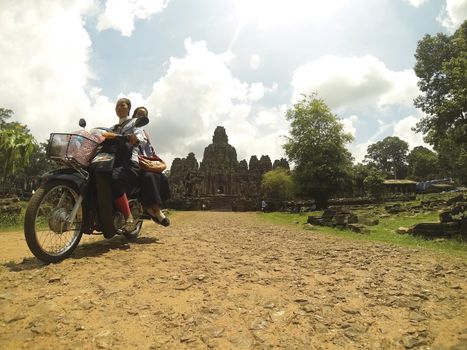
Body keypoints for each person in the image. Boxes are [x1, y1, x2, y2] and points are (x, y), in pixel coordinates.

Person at [103, 98, 144, 229]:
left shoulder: (134, 123)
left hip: (130, 161)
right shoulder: (112, 128)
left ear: (128, 108)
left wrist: (135, 138)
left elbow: (140, 136)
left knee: (115, 178)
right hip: (112, 160)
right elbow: (103, 136)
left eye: (122, 105)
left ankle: (128, 217)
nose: (119, 107)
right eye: (117, 105)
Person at [131, 106, 171, 227]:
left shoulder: (144, 133)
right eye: (139, 114)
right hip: (134, 159)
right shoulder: (130, 127)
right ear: (134, 115)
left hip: (146, 161)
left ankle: (155, 208)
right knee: (149, 176)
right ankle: (155, 212)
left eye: (144, 115)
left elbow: (148, 150)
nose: (141, 117)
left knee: (162, 178)